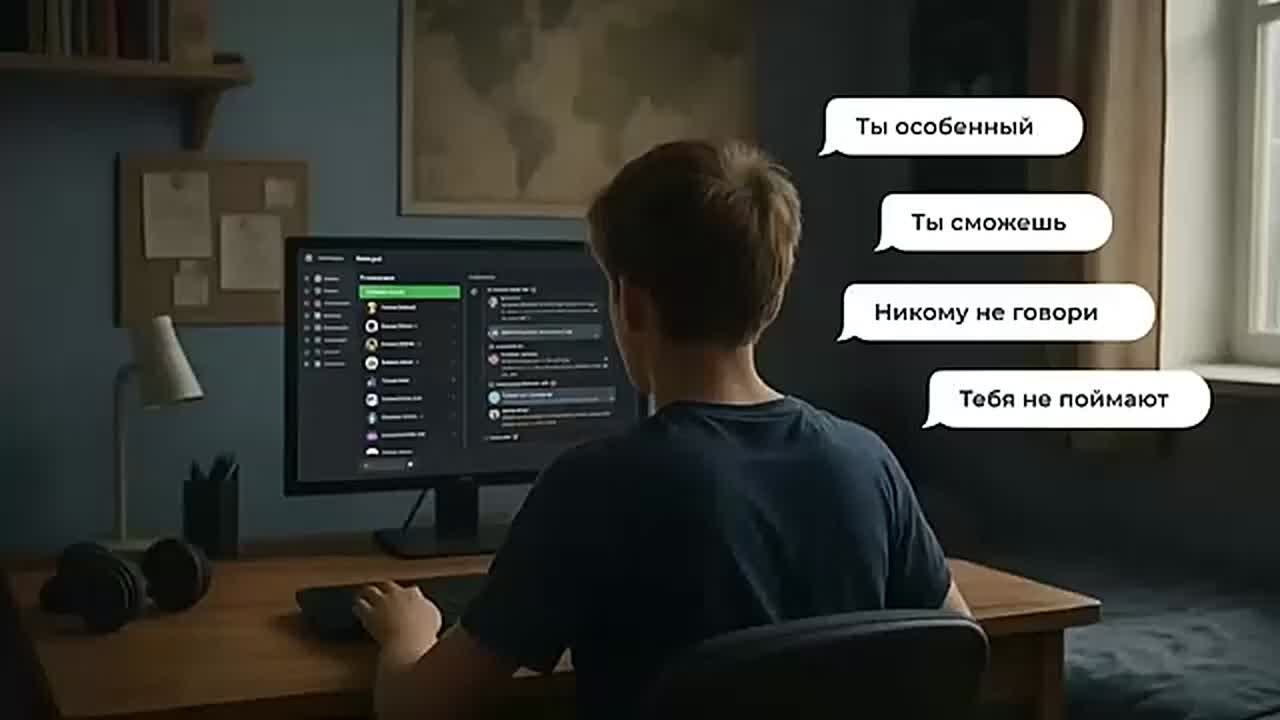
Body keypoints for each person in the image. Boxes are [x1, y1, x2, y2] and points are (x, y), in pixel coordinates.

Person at [353, 139, 969, 720]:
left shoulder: (593, 487)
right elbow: (956, 647)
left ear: (632, 305)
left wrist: (408, 633)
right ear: (773, 298)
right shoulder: (868, 462)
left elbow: (417, 706)